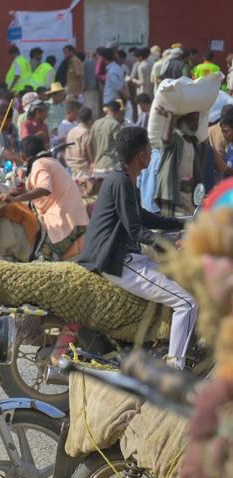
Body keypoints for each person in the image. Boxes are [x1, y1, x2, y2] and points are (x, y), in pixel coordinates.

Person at [77, 127, 196, 368]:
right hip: (118, 261)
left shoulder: (124, 178)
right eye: (150, 149)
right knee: (187, 303)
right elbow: (136, 230)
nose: (151, 153)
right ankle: (175, 368)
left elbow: (143, 217)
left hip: (123, 257)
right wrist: (169, 244)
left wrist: (184, 222)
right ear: (141, 155)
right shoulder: (121, 181)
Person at [0, 136, 90, 259]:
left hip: (65, 221)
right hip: (75, 217)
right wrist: (14, 193)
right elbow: (37, 188)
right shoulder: (51, 161)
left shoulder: (39, 164)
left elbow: (45, 189)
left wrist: (15, 199)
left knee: (42, 260)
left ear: (23, 157)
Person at [90, 100, 124, 185]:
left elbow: (89, 143)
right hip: (111, 166)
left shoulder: (96, 123)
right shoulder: (115, 124)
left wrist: (93, 161)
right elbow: (120, 144)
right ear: (118, 111)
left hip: (97, 167)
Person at [65, 107, 95, 185]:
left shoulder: (72, 131)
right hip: (82, 168)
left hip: (70, 168)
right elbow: (87, 149)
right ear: (90, 119)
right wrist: (92, 162)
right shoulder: (86, 132)